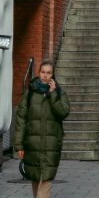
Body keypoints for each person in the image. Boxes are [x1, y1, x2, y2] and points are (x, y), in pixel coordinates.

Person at [14, 59, 70, 198]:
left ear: (53, 75)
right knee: (34, 178)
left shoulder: (59, 92)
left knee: (46, 181)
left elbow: (63, 113)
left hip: (51, 144)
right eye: (43, 72)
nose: (45, 76)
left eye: (49, 73)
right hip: (32, 144)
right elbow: (21, 119)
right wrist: (19, 145)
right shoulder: (29, 94)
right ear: (38, 73)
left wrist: (52, 95)